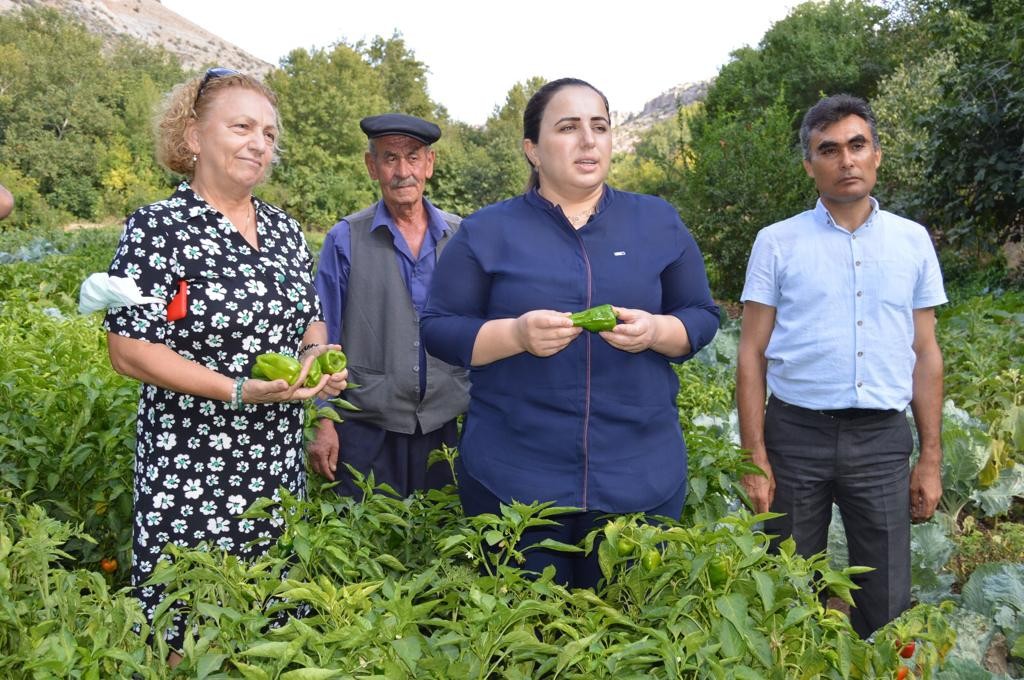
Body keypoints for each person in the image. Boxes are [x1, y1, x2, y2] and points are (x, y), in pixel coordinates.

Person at [421, 78, 720, 588]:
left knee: (627, 622)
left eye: (599, 126)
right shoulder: (488, 230)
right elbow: (439, 329)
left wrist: (656, 330)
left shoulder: (656, 221)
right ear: (532, 150)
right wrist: (516, 335)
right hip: (515, 482)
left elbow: (701, 315)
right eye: (568, 128)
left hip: (639, 476)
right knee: (525, 625)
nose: (588, 140)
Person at [100, 68, 347, 652]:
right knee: (187, 633)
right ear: (192, 136)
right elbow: (128, 349)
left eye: (269, 133)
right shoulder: (156, 229)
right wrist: (235, 389)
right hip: (190, 470)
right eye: (242, 127)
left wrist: (317, 356)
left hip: (275, 465)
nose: (259, 143)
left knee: (267, 629)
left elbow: (309, 318)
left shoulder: (284, 230)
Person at [736, 94, 946, 638]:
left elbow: (925, 352)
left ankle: (876, 667)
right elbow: (751, 352)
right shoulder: (776, 243)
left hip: (881, 440)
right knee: (785, 591)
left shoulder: (912, 241)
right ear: (810, 165)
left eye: (857, 145)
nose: (846, 159)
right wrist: (753, 456)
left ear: (877, 155)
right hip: (794, 436)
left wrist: (930, 457)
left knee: (887, 598)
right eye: (828, 150)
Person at [309, 113, 469, 498]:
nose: (403, 172)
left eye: (413, 157)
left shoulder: (461, 237)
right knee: (363, 531)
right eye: (389, 158)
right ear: (372, 166)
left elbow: (479, 328)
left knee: (444, 530)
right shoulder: (345, 238)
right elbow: (322, 331)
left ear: (429, 164)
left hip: (446, 429)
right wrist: (322, 419)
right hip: (365, 430)